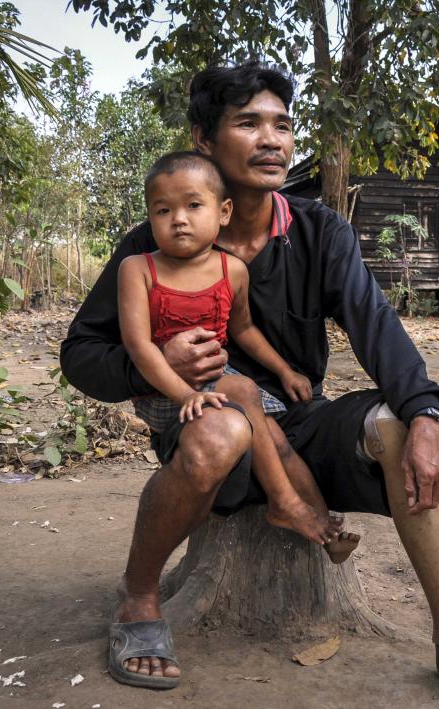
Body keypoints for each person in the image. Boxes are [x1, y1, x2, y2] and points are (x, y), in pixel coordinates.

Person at [61, 61, 439, 691]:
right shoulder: (153, 244)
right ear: (204, 141)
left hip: (298, 430)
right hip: (204, 433)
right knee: (222, 433)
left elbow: (376, 325)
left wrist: (427, 413)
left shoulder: (320, 232)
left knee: (396, 423)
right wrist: (155, 363)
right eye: (249, 123)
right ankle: (139, 599)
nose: (273, 140)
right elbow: (80, 355)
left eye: (283, 126)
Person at [119, 150, 359, 559]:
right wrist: (184, 395)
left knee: (279, 441)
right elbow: (139, 347)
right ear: (150, 217)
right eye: (163, 210)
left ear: (223, 211)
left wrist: (285, 371)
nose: (179, 218)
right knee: (245, 390)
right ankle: (284, 504)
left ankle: (325, 527)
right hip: (162, 395)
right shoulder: (138, 269)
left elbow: (244, 330)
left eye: (194, 205)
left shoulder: (232, 271)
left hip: (217, 383)